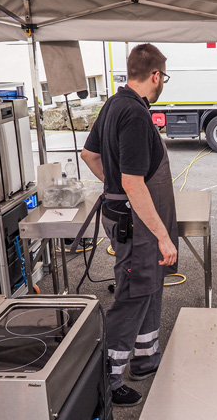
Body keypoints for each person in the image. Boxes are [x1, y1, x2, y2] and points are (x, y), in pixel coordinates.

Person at [81, 43, 178, 407]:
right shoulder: (135, 116)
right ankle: (109, 377)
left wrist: (114, 186)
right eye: (163, 77)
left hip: (127, 217)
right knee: (134, 294)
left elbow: (88, 154)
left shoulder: (113, 103)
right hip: (139, 227)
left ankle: (146, 357)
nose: (162, 82)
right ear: (155, 75)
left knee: (150, 288)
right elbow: (135, 182)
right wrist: (164, 236)